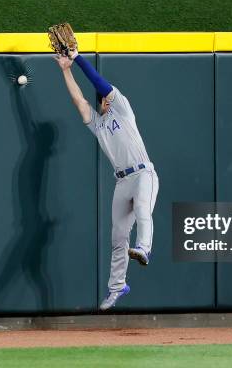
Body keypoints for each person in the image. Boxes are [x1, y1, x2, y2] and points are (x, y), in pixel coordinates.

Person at [54, 51, 159, 311]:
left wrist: (77, 58)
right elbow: (79, 100)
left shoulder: (122, 108)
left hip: (143, 173)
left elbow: (99, 83)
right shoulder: (98, 125)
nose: (107, 100)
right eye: (104, 100)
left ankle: (144, 248)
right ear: (102, 104)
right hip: (122, 183)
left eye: (107, 97)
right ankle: (116, 287)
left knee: (143, 210)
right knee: (118, 237)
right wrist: (66, 69)